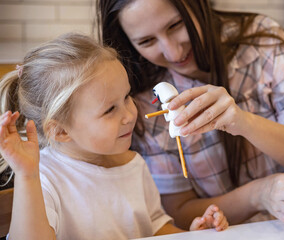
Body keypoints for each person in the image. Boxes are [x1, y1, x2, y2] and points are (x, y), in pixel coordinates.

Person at [97, 0, 284, 229]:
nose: (173, 51)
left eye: (176, 25)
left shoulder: (260, 39)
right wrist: (259, 194)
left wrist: (244, 121)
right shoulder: (140, 101)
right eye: (147, 41)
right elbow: (178, 213)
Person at [0, 33, 228, 240]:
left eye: (127, 97)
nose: (129, 115)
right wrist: (27, 176)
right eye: (110, 110)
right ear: (61, 131)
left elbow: (154, 227)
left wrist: (190, 235)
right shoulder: (43, 178)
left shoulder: (134, 164)